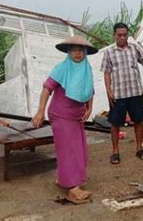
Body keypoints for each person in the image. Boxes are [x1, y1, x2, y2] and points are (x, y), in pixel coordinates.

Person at [31, 36, 97, 204]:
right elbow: (47, 88)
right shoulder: (62, 68)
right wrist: (40, 112)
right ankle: (73, 189)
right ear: (69, 51)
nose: (77, 53)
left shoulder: (86, 69)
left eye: (81, 50)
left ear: (85, 52)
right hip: (60, 115)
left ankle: (63, 178)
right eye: (74, 49)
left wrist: (89, 108)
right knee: (69, 151)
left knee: (77, 149)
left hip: (76, 116)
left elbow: (90, 90)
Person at [101, 22, 143, 164]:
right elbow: (107, 73)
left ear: (128, 35)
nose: (122, 37)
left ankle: (139, 148)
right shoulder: (109, 52)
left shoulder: (134, 49)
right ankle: (115, 152)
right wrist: (108, 91)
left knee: (139, 121)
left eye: (125, 35)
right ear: (114, 35)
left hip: (135, 91)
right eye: (119, 35)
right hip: (118, 93)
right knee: (115, 123)